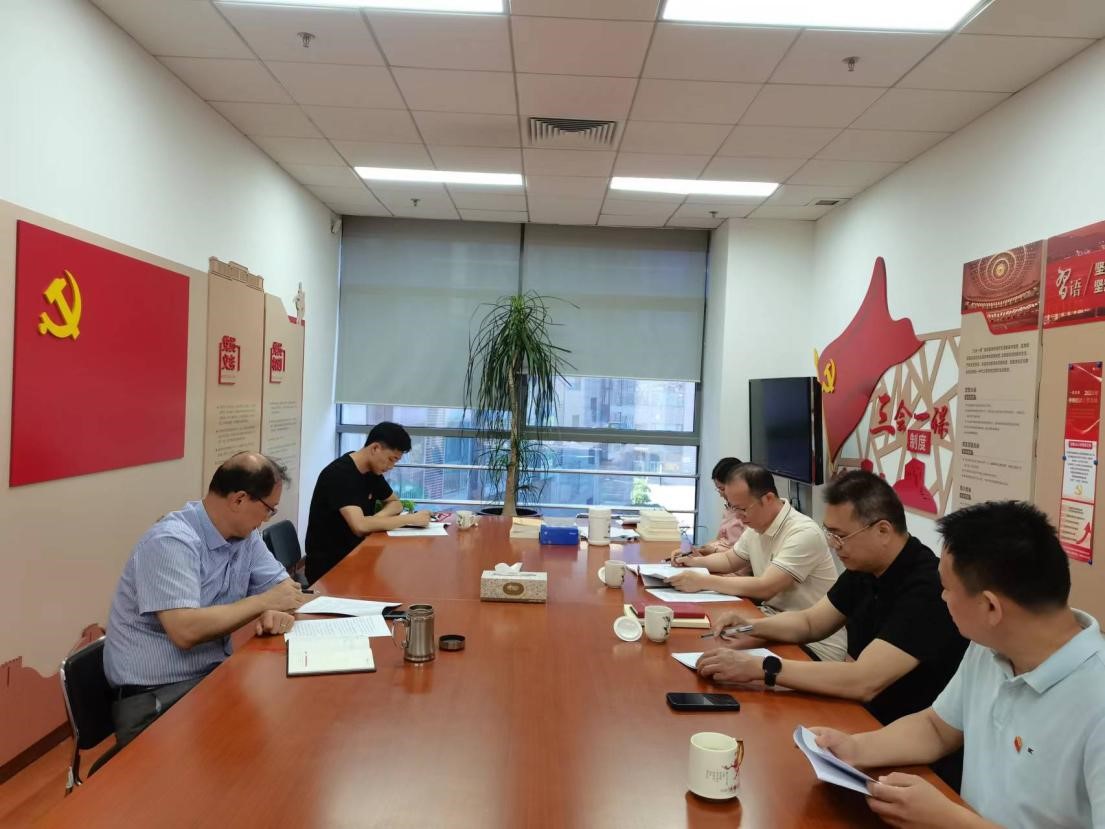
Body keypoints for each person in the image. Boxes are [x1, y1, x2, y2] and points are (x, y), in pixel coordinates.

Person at [810, 500, 1105, 827]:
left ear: (990, 608)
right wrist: (854, 748)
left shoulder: (1095, 701)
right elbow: (937, 729)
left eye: (947, 588)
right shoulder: (989, 647)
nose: (942, 598)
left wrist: (948, 820)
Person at [699, 470, 968, 789]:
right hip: (861, 720)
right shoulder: (865, 568)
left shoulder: (926, 588)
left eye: (840, 536)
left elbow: (864, 680)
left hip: (904, 747)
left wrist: (761, 668)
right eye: (830, 534)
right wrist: (749, 626)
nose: (834, 545)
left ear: (883, 530)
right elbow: (811, 622)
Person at [104, 452, 309, 747]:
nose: (266, 520)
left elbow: (286, 590)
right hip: (156, 696)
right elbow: (185, 630)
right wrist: (264, 603)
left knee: (285, 729)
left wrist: (276, 609)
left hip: (211, 677)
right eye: (268, 509)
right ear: (239, 500)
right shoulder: (171, 542)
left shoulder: (245, 537)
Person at [669, 463, 846, 661]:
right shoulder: (757, 525)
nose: (738, 516)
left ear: (768, 499)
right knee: (701, 642)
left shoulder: (803, 532)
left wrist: (702, 581)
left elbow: (765, 587)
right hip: (771, 624)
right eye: (732, 507)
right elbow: (729, 559)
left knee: (718, 658)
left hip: (813, 645)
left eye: (742, 509)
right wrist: (692, 561)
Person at [304, 421, 429, 583]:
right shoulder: (339, 474)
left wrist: (373, 520)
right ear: (375, 448)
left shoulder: (370, 471)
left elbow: (395, 504)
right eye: (391, 459)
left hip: (358, 553)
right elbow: (360, 527)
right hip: (331, 567)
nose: (391, 466)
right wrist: (410, 519)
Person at [669, 456, 745, 560]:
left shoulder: (747, 515)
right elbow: (719, 541)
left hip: (729, 565)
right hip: (718, 560)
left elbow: (742, 555)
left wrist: (708, 552)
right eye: (718, 489)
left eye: (722, 489)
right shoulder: (729, 508)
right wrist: (695, 550)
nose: (721, 494)